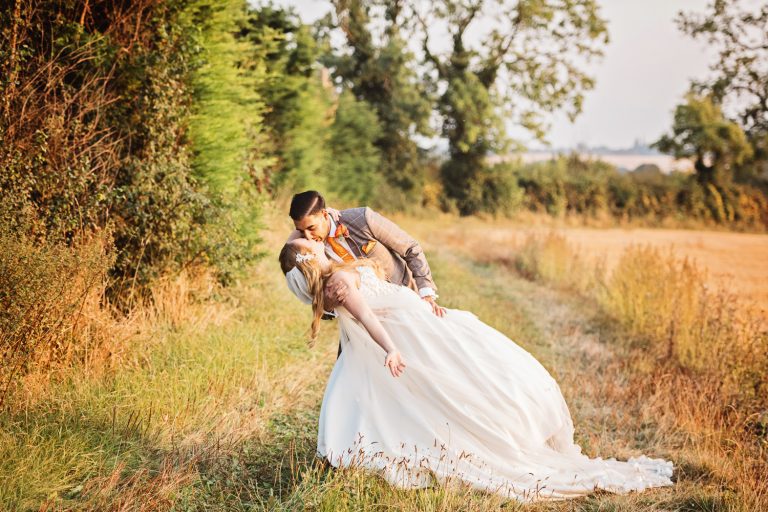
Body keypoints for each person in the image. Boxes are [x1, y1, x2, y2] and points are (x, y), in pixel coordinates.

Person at [278, 237, 675, 502]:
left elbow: (359, 307)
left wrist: (392, 348)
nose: (314, 240)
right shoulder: (340, 277)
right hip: (410, 329)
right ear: (312, 258)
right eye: (310, 244)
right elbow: (373, 311)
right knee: (438, 388)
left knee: (455, 381)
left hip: (412, 328)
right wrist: (397, 341)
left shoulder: (334, 279)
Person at [286, 190, 445, 317]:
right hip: (364, 320)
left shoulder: (362, 219)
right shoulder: (310, 251)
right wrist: (330, 305)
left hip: (404, 295)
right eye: (301, 231)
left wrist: (426, 293)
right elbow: (321, 302)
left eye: (311, 228)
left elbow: (410, 248)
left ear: (325, 215)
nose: (308, 236)